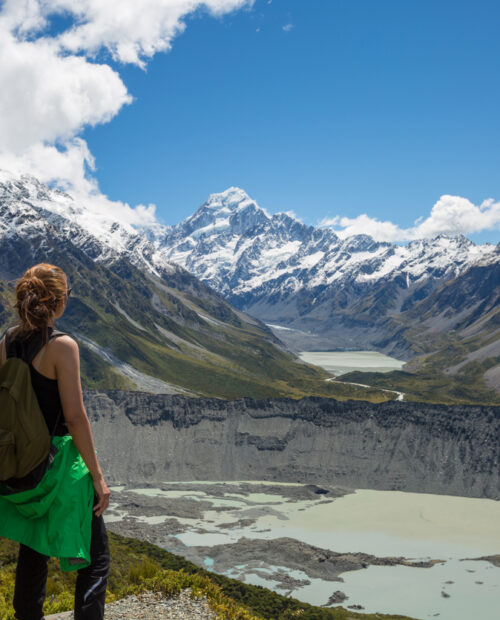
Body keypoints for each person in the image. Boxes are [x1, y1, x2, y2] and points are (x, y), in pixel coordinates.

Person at [0, 263, 111, 620]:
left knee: (34, 547)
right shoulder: (62, 346)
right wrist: (97, 476)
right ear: (60, 302)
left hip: (19, 469)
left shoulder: (5, 343)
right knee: (96, 559)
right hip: (59, 468)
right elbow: (75, 418)